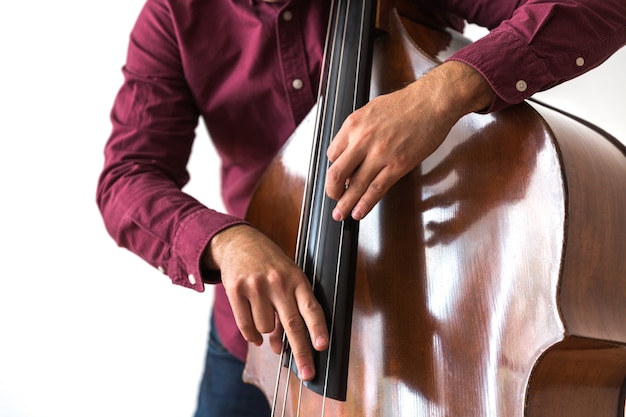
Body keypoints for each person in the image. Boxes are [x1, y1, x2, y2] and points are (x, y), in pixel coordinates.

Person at [96, 0, 626, 415]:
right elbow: (127, 177)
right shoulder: (172, 15)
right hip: (263, 347)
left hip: (435, 340)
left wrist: (440, 94)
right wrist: (223, 241)